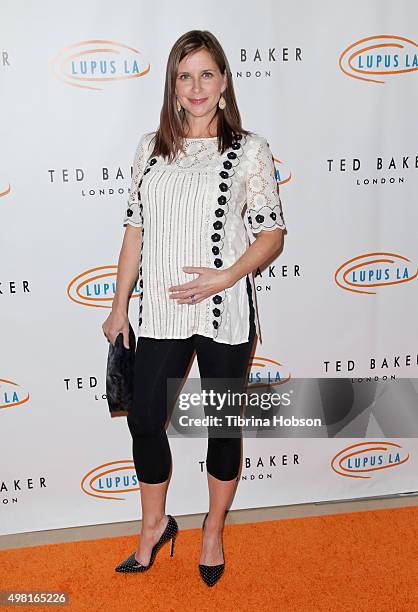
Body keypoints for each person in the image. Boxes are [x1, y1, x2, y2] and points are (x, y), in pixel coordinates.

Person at [102, 29, 286, 587]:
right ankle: (155, 524)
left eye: (207, 73)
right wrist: (118, 307)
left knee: (221, 426)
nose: (197, 86)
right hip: (159, 311)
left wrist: (224, 276)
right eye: (186, 75)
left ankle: (212, 530)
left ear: (225, 82)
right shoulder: (149, 148)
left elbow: (272, 234)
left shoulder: (249, 149)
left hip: (224, 309)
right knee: (142, 421)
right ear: (173, 86)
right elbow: (134, 230)